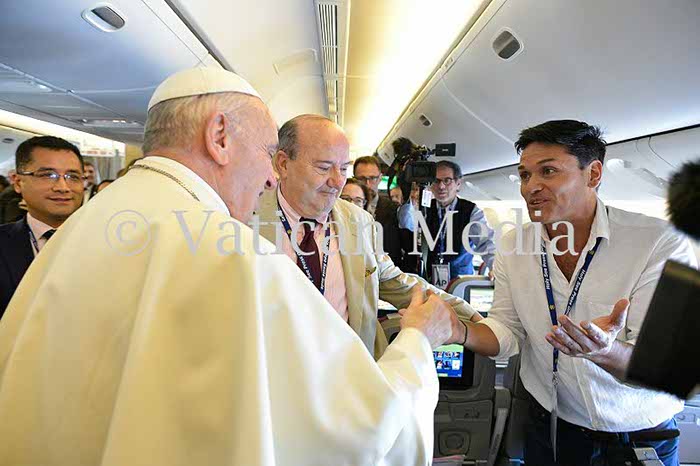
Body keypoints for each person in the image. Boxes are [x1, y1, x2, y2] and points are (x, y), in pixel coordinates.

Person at [0, 67, 465, 466]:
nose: (270, 178)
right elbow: (365, 428)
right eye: (266, 153)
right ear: (219, 136)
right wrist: (417, 340)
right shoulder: (233, 254)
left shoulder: (86, 223)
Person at [463, 120, 697, 466]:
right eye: (525, 175)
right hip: (551, 425)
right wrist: (457, 331)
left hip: (636, 434)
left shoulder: (658, 241)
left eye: (548, 171)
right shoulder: (514, 244)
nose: (531, 187)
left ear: (594, 174)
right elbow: (507, 330)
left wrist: (604, 350)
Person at [257, 114, 481, 357]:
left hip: (348, 366)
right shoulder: (247, 218)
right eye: (323, 168)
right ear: (283, 164)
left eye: (343, 169)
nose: (337, 181)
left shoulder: (359, 221)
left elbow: (398, 283)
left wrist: (471, 317)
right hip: (277, 366)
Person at [0, 136, 84, 318]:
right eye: (48, 175)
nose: (63, 187)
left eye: (73, 177)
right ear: (17, 182)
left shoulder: (109, 244)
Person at [424, 160, 496, 283]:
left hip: (460, 282)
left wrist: (495, 267)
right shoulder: (424, 209)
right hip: (428, 281)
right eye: (436, 181)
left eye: (447, 180)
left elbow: (485, 242)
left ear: (458, 183)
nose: (441, 186)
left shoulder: (470, 211)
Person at [353, 155, 405, 268]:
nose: (367, 184)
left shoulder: (394, 210)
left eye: (372, 178)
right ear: (354, 179)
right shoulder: (345, 210)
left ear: (380, 178)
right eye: (361, 179)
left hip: (386, 272)